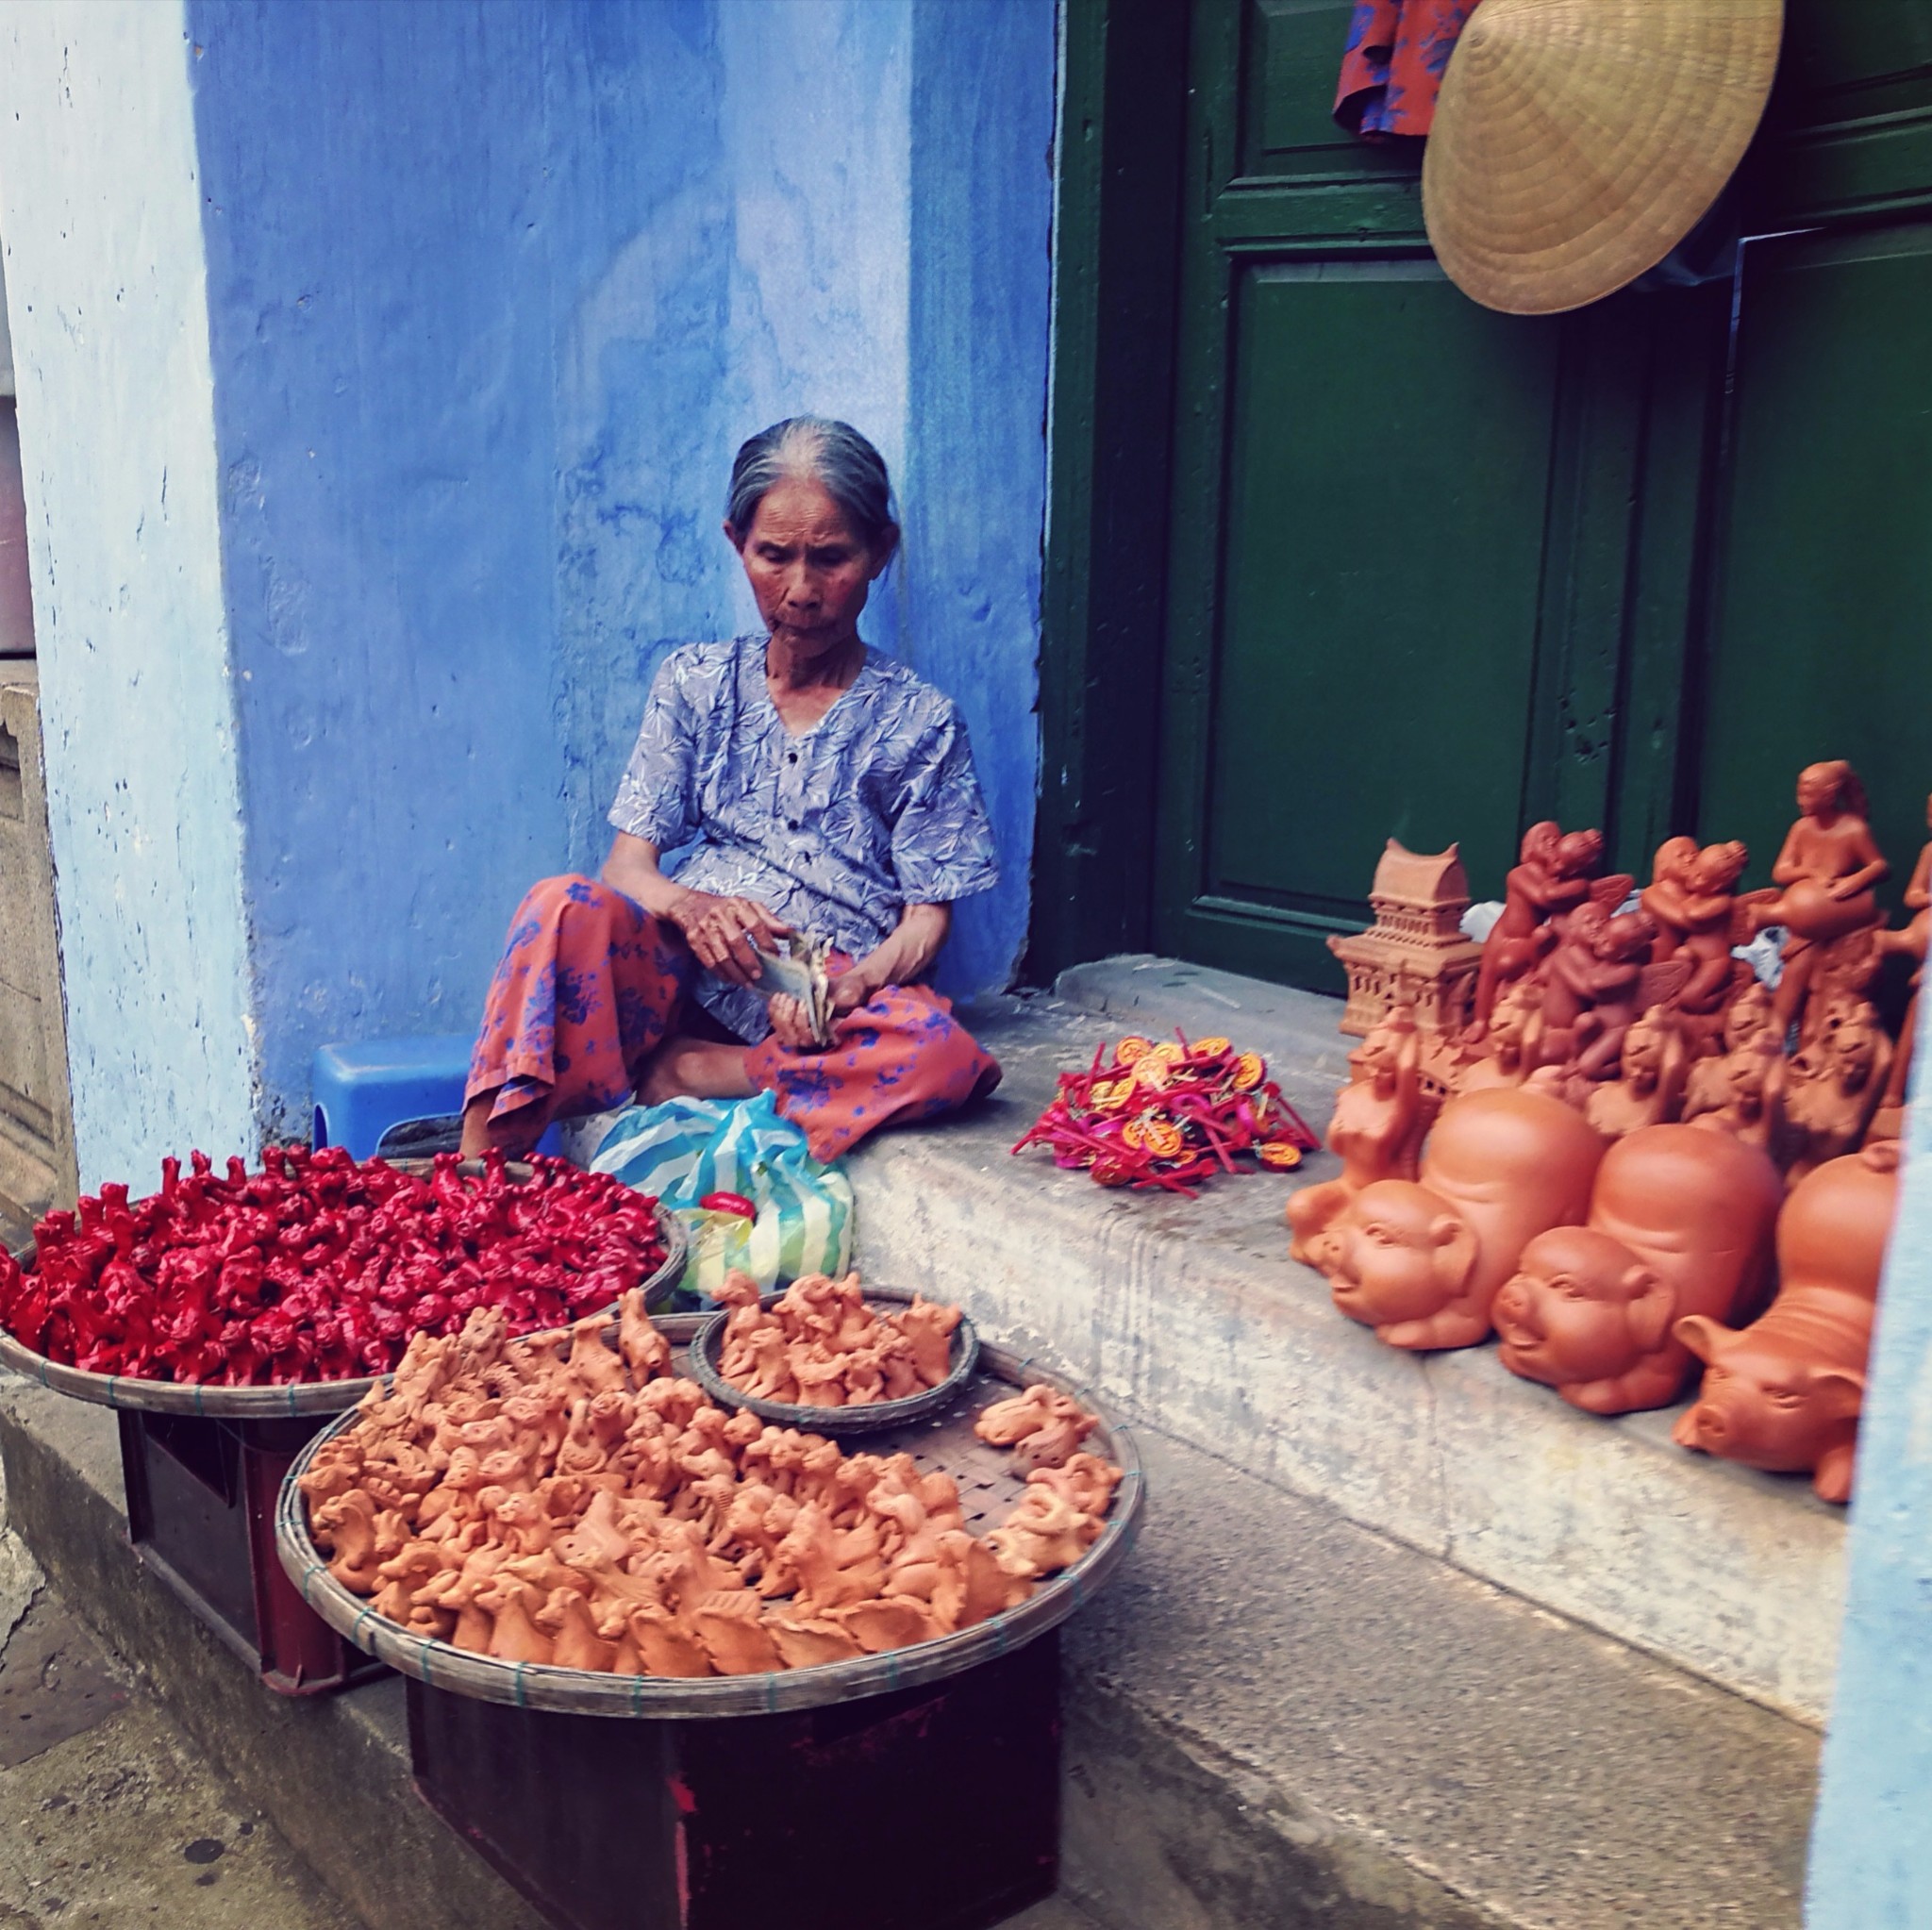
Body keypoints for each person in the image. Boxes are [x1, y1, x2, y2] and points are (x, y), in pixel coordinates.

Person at [460, 417, 1002, 1163]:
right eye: (773, 557)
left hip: (820, 1000)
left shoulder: (921, 721)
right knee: (559, 905)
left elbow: (925, 923)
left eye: (832, 558)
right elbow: (626, 868)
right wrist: (694, 909)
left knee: (942, 1055)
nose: (802, 591)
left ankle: (704, 1072)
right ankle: (479, 1176)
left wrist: (851, 988)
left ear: (881, 552)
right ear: (736, 544)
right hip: (682, 966)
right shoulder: (697, 682)